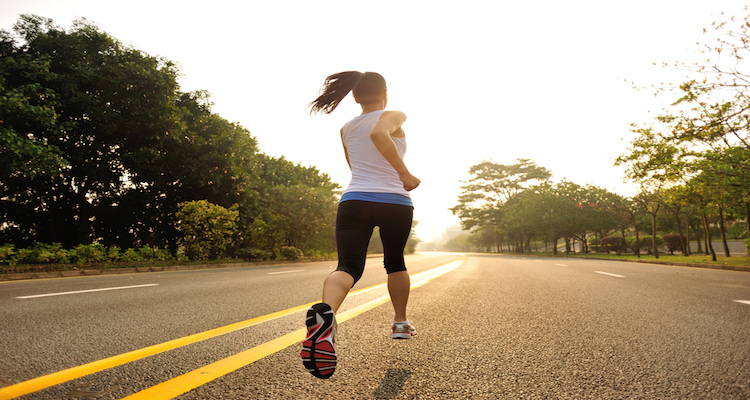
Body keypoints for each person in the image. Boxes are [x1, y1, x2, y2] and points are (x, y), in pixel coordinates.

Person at [300, 71, 421, 379]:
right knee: (395, 262)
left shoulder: (346, 127)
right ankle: (400, 323)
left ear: (354, 97)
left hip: (354, 199)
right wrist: (404, 173)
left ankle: (326, 318)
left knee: (348, 267)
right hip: (394, 201)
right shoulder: (395, 114)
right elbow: (380, 134)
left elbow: (354, 165)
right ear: (385, 94)